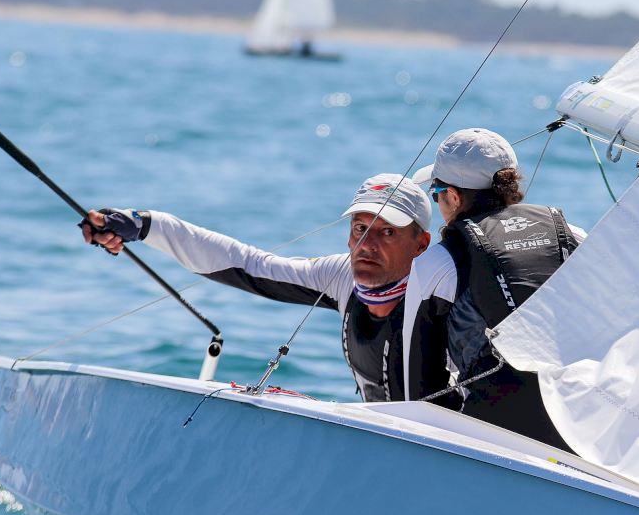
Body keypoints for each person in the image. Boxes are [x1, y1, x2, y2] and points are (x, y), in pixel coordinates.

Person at [82, 173, 454, 403]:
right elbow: (247, 264)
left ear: (421, 245)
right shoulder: (340, 276)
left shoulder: (443, 291)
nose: (367, 244)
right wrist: (146, 225)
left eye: (387, 232)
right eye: (360, 228)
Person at [403, 128, 583, 451]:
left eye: (436, 193)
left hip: (496, 440)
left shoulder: (437, 263)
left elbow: (419, 392)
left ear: (453, 197)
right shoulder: (572, 235)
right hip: (584, 432)